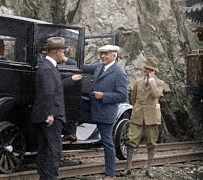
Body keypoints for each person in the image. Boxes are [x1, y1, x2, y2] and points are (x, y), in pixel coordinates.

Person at [31, 36, 83, 180]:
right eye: (62, 51)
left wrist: (70, 80)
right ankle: (51, 177)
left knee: (44, 148)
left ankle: (44, 177)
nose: (63, 55)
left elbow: (54, 87)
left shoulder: (47, 66)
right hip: (51, 116)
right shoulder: (48, 69)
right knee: (54, 150)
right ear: (54, 51)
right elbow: (48, 92)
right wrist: (49, 114)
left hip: (44, 114)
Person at [82, 45, 128, 180]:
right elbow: (82, 66)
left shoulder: (119, 72)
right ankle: (72, 133)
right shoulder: (99, 67)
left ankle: (110, 173)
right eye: (101, 53)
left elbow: (122, 96)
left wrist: (104, 96)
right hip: (93, 108)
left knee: (107, 142)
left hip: (106, 111)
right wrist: (66, 59)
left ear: (114, 55)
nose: (103, 56)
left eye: (106, 54)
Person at [120, 57, 165, 178]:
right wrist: (136, 109)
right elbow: (133, 98)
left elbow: (156, 94)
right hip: (138, 115)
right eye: (145, 68)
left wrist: (151, 80)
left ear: (154, 71)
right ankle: (128, 168)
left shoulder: (159, 83)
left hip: (152, 117)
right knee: (131, 140)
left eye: (149, 69)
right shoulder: (138, 82)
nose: (146, 70)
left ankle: (148, 169)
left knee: (151, 143)